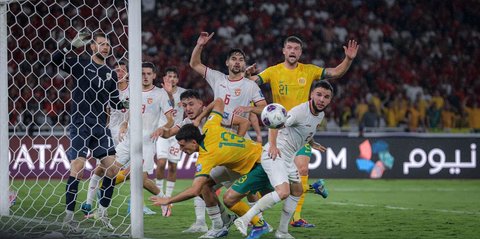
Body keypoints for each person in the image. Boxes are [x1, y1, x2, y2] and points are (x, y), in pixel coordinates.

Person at [246, 35, 359, 227]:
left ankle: (296, 218)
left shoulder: (309, 70)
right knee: (275, 182)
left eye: (296, 48)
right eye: (289, 48)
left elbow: (335, 73)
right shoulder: (273, 71)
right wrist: (247, 75)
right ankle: (309, 190)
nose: (292, 51)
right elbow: (252, 82)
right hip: (280, 131)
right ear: (283, 50)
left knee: (303, 169)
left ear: (300, 52)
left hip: (301, 132)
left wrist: (348, 59)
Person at [233, 80, 334, 239]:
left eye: (326, 97)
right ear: (311, 95)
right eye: (319, 95)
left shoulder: (320, 114)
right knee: (283, 192)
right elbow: (275, 121)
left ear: (330, 99)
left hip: (287, 159)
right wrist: (272, 145)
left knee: (297, 190)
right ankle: (245, 220)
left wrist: (312, 142)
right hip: (275, 155)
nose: (322, 99)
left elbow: (305, 130)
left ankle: (282, 231)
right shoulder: (299, 112)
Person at [150, 98, 262, 239]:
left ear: (194, 142)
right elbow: (219, 102)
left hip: (257, 162)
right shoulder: (210, 125)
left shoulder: (206, 157)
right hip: (238, 161)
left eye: (183, 146)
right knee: (205, 186)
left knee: (235, 198)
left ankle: (264, 225)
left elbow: (194, 190)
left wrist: (168, 200)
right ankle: (220, 224)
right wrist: (200, 119)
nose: (181, 149)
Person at [190, 31, 269, 230]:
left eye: (241, 60)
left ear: (244, 64)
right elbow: (195, 64)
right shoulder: (218, 78)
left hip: (240, 141)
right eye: (234, 59)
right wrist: (200, 45)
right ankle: (224, 222)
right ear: (227, 63)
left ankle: (257, 223)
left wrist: (250, 108)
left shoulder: (250, 85)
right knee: (204, 186)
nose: (237, 62)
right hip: (218, 140)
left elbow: (265, 109)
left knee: (246, 190)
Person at [52, 31, 124, 231]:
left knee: (112, 170)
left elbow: (115, 101)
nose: (105, 47)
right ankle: (69, 218)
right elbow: (56, 59)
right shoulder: (81, 64)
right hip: (80, 124)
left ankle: (102, 213)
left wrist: (125, 103)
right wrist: (71, 46)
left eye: (107, 45)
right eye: (101, 44)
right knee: (78, 168)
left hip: (101, 127)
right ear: (93, 46)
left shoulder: (110, 72)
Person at [113, 62, 175, 215]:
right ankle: (93, 205)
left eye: (148, 73)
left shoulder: (160, 94)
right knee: (108, 168)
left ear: (154, 75)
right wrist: (124, 123)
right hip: (128, 140)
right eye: (142, 74)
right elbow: (130, 110)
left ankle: (165, 201)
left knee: (141, 179)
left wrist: (162, 128)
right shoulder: (133, 91)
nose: (145, 76)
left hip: (146, 143)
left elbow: (171, 120)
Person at [81, 60, 129, 218]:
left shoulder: (133, 92)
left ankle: (133, 205)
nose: (119, 73)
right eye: (117, 70)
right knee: (100, 168)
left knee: (129, 172)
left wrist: (125, 124)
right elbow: (105, 114)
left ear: (128, 73)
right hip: (109, 133)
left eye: (122, 70)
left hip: (127, 135)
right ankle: (89, 203)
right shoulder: (108, 90)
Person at [155, 67, 187, 217]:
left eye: (174, 76)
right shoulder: (158, 92)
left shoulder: (183, 93)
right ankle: (161, 195)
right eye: (169, 76)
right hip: (162, 132)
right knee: (161, 163)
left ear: (178, 80)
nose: (172, 79)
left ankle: (168, 198)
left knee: (173, 166)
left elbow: (190, 109)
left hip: (177, 134)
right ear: (164, 78)